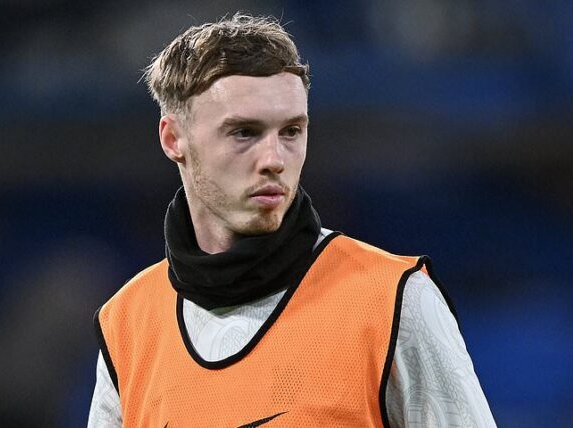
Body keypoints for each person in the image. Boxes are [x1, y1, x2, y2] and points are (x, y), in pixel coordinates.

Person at [87, 13, 495, 427]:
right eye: (244, 132)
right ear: (173, 138)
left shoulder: (394, 300)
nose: (274, 160)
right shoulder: (127, 324)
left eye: (291, 131)